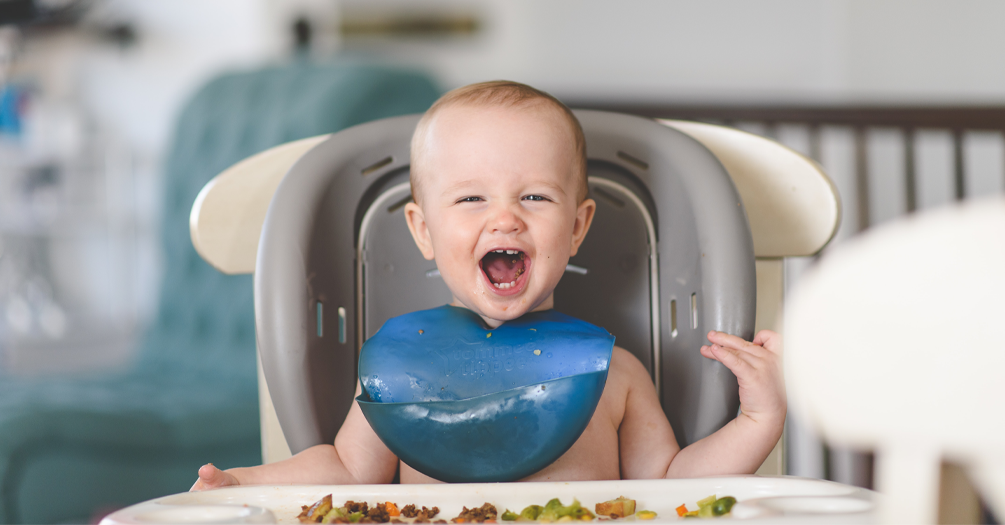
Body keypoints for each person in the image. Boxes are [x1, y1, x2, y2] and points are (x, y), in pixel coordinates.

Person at [192, 80, 785, 489]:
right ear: (423, 232)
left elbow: (668, 484)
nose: (505, 218)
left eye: (534, 197)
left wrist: (756, 423)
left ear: (577, 227)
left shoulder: (615, 373)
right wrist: (245, 481)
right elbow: (348, 471)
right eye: (472, 198)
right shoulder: (400, 370)